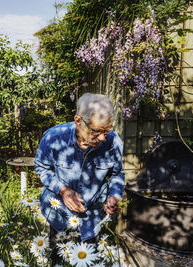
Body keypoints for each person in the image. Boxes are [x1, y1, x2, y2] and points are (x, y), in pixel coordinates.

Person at [34, 93, 125, 252]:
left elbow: (117, 174)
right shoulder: (54, 138)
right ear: (78, 121)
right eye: (97, 131)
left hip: (92, 218)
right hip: (58, 214)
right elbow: (42, 168)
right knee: (59, 259)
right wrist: (63, 190)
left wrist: (114, 196)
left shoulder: (113, 142)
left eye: (107, 131)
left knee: (89, 260)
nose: (103, 138)